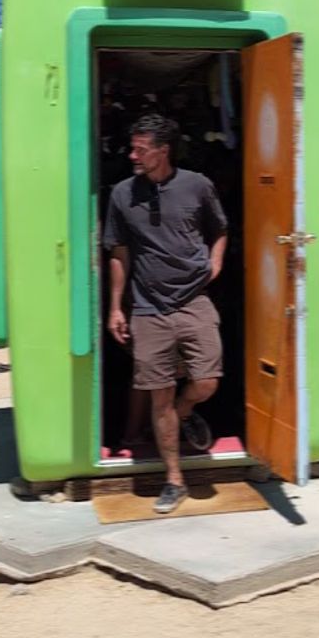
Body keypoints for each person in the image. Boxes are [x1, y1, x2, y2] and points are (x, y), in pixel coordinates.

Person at [104, 113, 228, 515]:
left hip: (194, 299)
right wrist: (115, 308)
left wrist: (216, 263)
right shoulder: (123, 194)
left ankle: (185, 410)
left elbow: (220, 228)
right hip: (148, 308)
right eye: (133, 147)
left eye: (141, 148)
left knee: (207, 381)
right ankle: (174, 480)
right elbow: (119, 253)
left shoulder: (197, 185)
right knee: (158, 395)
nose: (133, 154)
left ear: (163, 150)